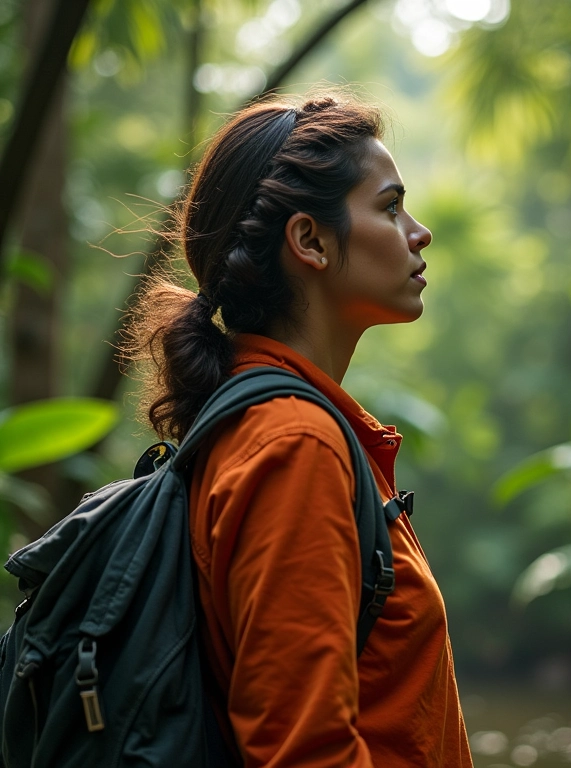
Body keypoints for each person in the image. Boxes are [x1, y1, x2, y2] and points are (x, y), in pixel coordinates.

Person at [125, 93, 473, 768]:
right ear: (310, 240)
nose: (418, 231)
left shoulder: (269, 426)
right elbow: (304, 753)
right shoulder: (295, 446)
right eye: (390, 205)